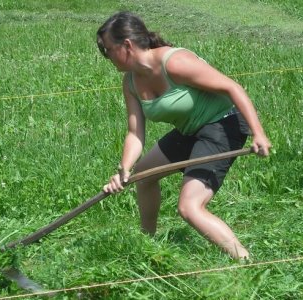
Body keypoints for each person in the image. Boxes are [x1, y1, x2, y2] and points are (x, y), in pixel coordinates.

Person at [97, 11, 271, 259]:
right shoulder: (131, 82)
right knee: (143, 177)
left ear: (126, 45)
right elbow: (135, 132)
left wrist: (259, 134)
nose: (106, 56)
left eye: (107, 49)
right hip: (190, 131)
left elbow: (233, 87)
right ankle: (149, 245)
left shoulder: (175, 62)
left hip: (223, 125)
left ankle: (245, 262)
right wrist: (124, 169)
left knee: (189, 207)